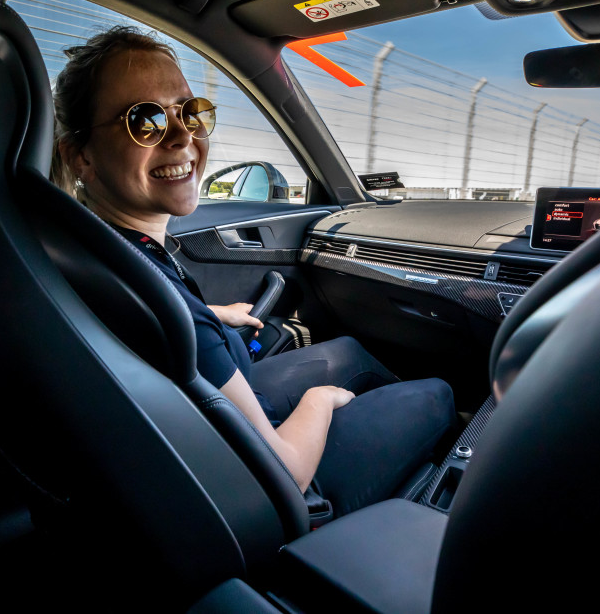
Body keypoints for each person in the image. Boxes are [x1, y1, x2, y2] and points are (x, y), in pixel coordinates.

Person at [50, 26, 455, 517]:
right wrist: (319, 402)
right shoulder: (159, 301)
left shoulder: (95, 250)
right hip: (267, 492)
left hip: (203, 436)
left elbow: (167, 325)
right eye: (145, 120)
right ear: (81, 157)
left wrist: (213, 314)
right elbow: (284, 470)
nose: (183, 136)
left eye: (189, 112)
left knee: (350, 350)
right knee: (438, 394)